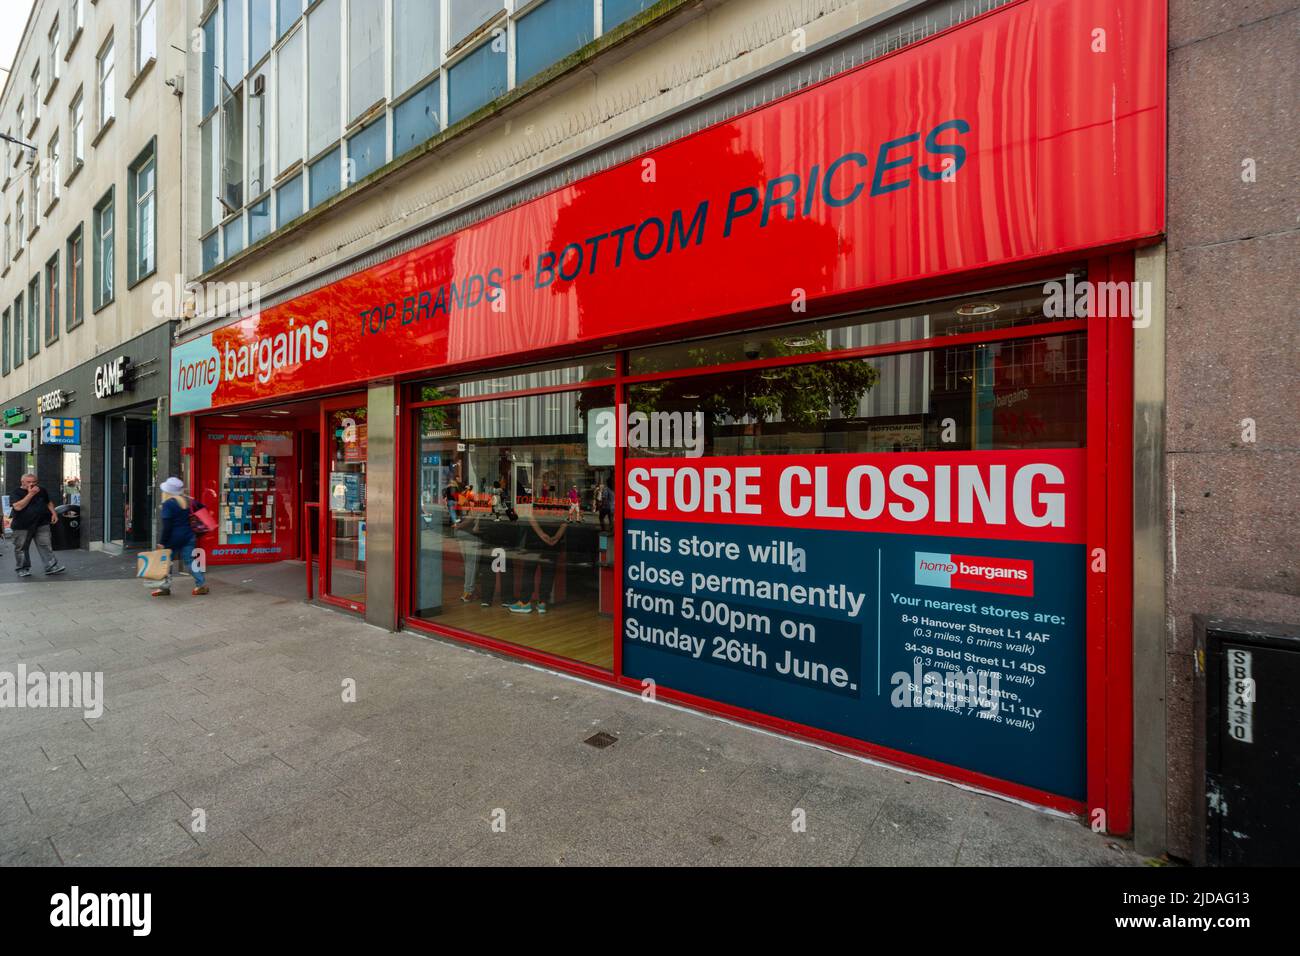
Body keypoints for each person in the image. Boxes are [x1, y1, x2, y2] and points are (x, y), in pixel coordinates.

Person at [153, 476, 208, 597]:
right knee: (190, 561)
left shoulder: (168, 504)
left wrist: (162, 542)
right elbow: (204, 508)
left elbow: (167, 527)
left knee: (166, 562)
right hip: (189, 536)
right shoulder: (188, 500)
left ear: (167, 491)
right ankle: (201, 584)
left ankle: (164, 588)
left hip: (173, 539)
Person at [8, 473, 66, 578]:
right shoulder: (16, 492)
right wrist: (30, 494)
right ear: (22, 482)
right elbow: (18, 507)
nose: (32, 484)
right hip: (22, 526)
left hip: (41, 523)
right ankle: (22, 569)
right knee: (22, 548)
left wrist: (53, 513)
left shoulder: (41, 490)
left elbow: (48, 502)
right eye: (29, 482)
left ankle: (51, 566)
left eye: (34, 482)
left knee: (45, 545)